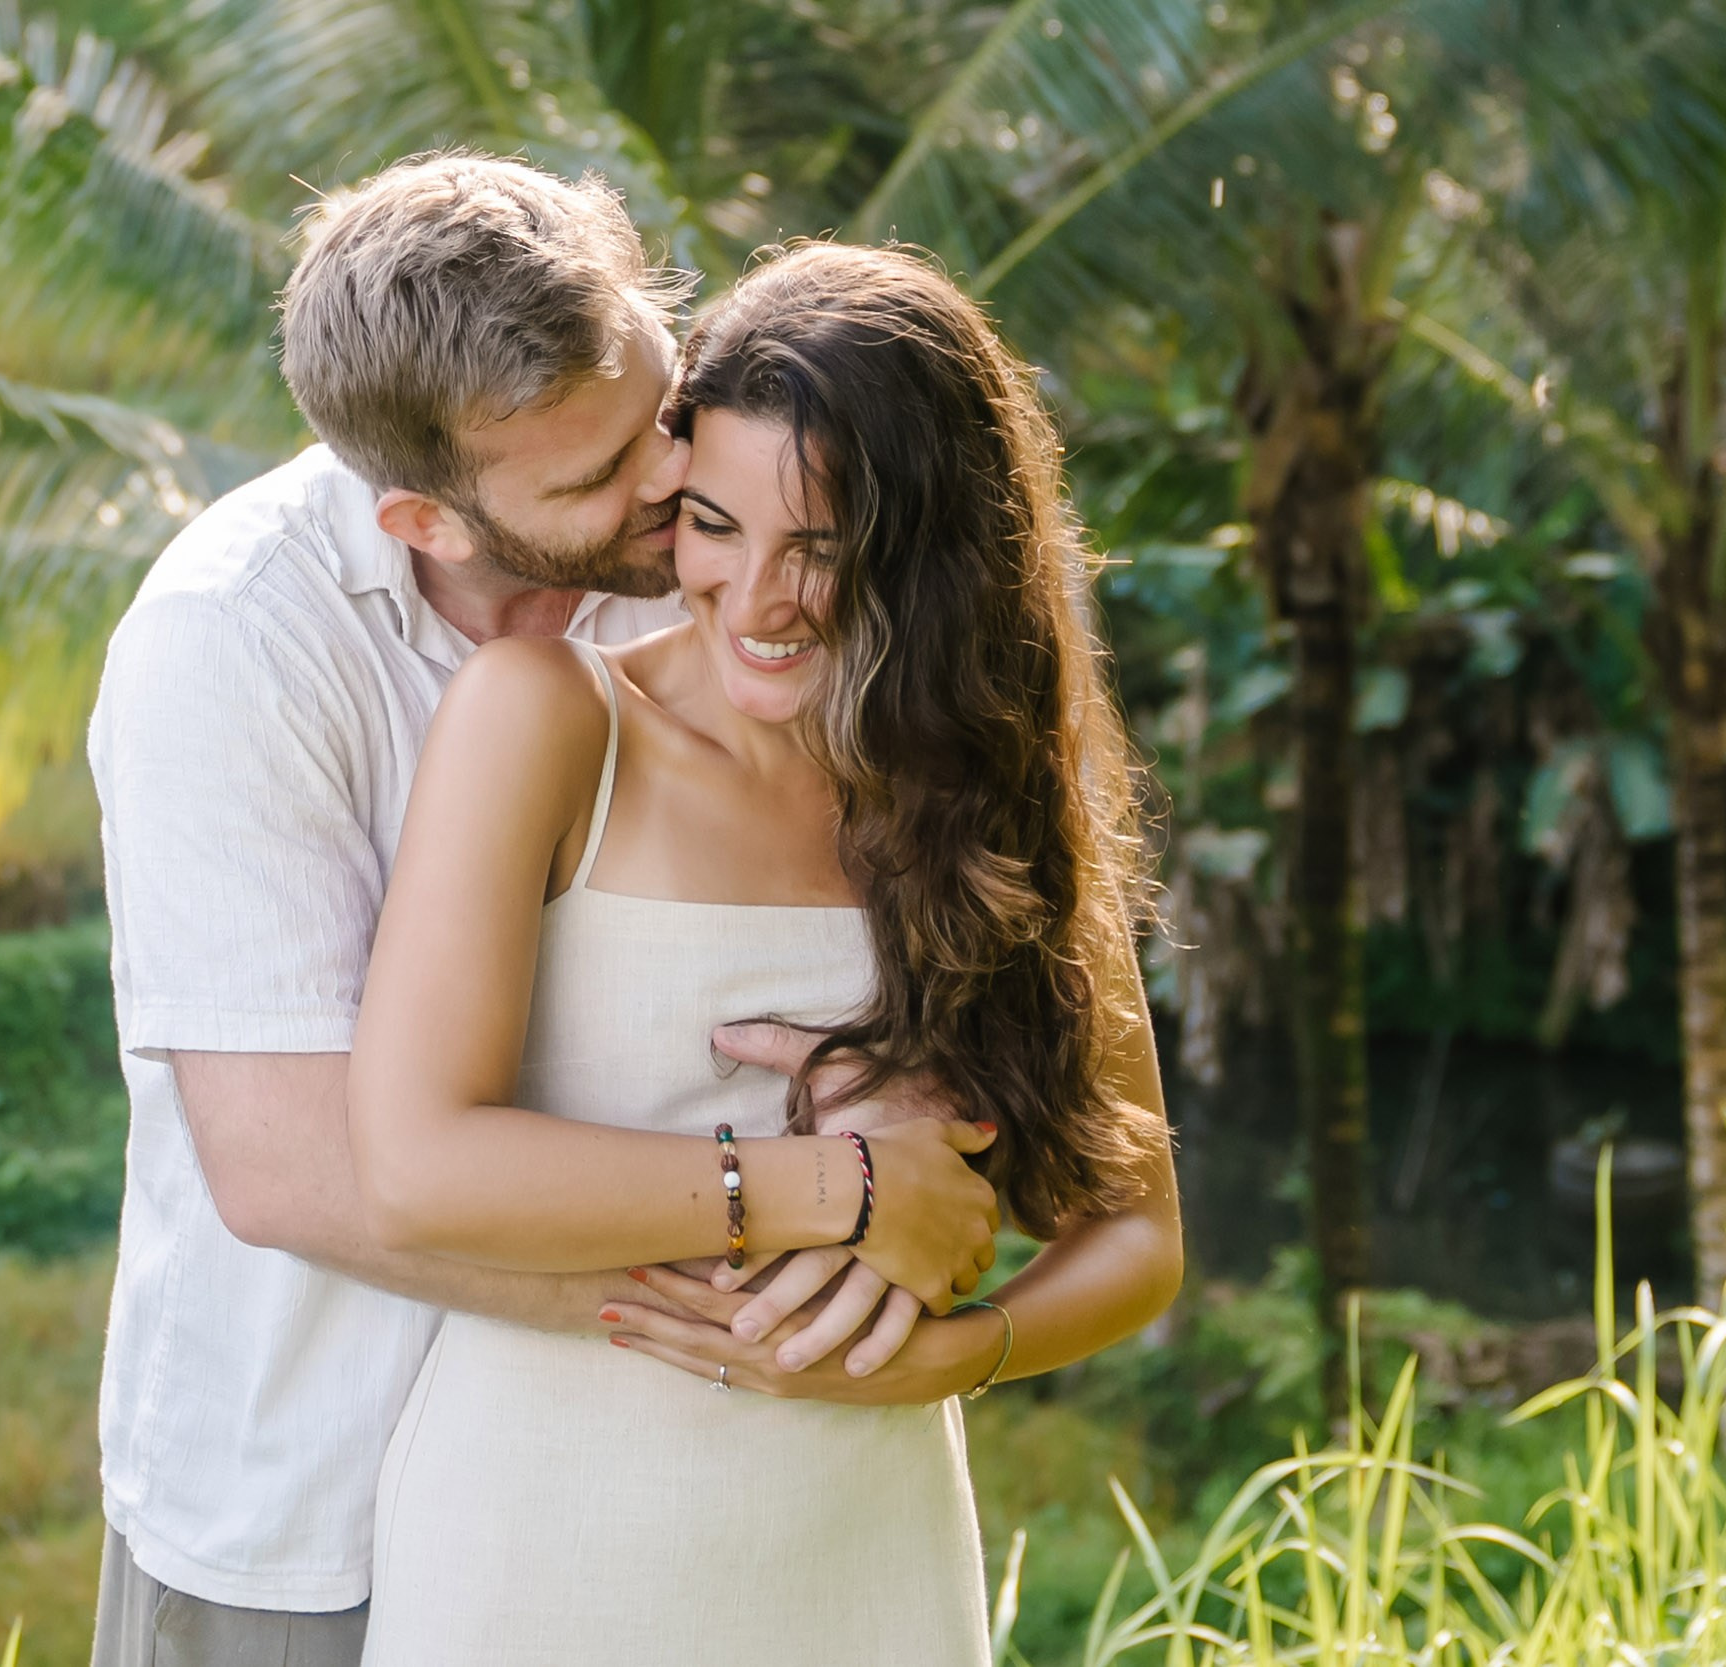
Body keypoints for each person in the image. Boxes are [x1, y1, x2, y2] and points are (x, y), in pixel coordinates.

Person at [85, 156, 1006, 1667]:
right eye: (590, 479)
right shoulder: (228, 648)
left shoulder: (715, 557)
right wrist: (811, 1225)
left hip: (660, 1497)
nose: (664, 482)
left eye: (655, 409)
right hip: (310, 1499)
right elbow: (291, 1171)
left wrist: (905, 1085)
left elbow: (894, 878)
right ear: (424, 520)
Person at [346, 242, 1185, 1665]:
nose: (757, 595)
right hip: (546, 1541)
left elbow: (1139, 1235)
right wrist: (838, 1187)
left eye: (824, 544)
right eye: (715, 526)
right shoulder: (549, 718)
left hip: (867, 1541)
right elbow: (416, 1169)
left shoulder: (989, 787)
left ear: (931, 549)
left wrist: (953, 1356)